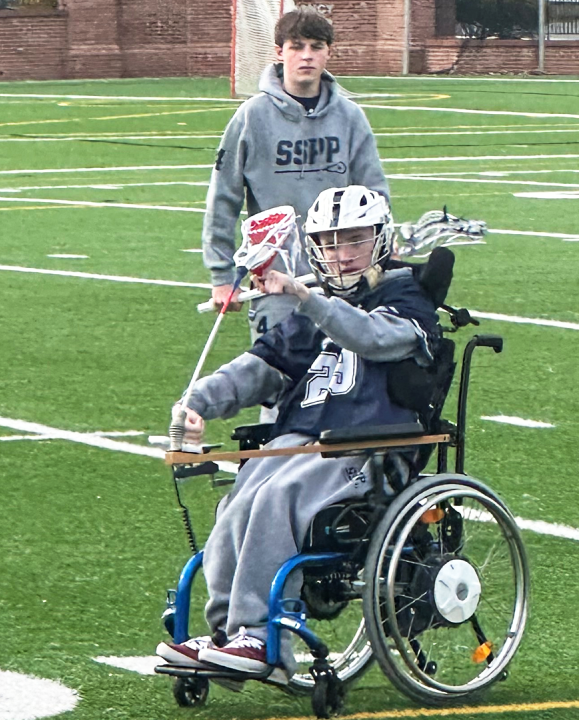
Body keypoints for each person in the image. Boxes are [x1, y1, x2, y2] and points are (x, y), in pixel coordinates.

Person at [157, 186, 439, 682]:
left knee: (276, 497)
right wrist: (196, 402)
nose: (342, 254)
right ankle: (226, 635)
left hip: (368, 444)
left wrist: (307, 298)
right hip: (303, 439)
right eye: (329, 244)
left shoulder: (406, 298)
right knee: (239, 499)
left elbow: (369, 337)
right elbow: (259, 368)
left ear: (380, 239)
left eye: (354, 239)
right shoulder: (316, 310)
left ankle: (263, 637)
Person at [202, 5, 389, 361]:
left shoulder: (350, 117)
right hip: (275, 279)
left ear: (328, 53)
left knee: (344, 382)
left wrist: (381, 253)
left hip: (342, 277)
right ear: (279, 52)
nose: (307, 56)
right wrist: (222, 275)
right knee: (277, 383)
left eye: (316, 46)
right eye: (296, 46)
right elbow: (223, 199)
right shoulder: (251, 117)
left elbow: (375, 193)